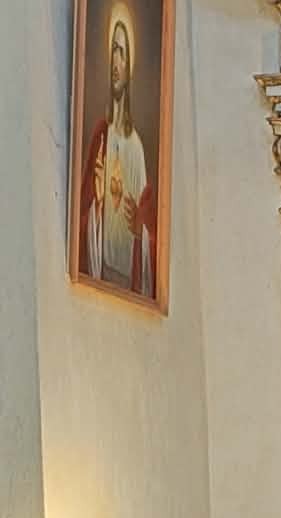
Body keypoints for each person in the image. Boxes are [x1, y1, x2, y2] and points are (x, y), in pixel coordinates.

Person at [80, 5, 157, 301]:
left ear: (130, 64)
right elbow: (82, 215)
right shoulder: (101, 134)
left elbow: (145, 230)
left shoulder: (136, 147)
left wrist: (139, 230)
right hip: (100, 270)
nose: (116, 61)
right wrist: (96, 203)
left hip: (127, 275)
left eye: (122, 53)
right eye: (113, 49)